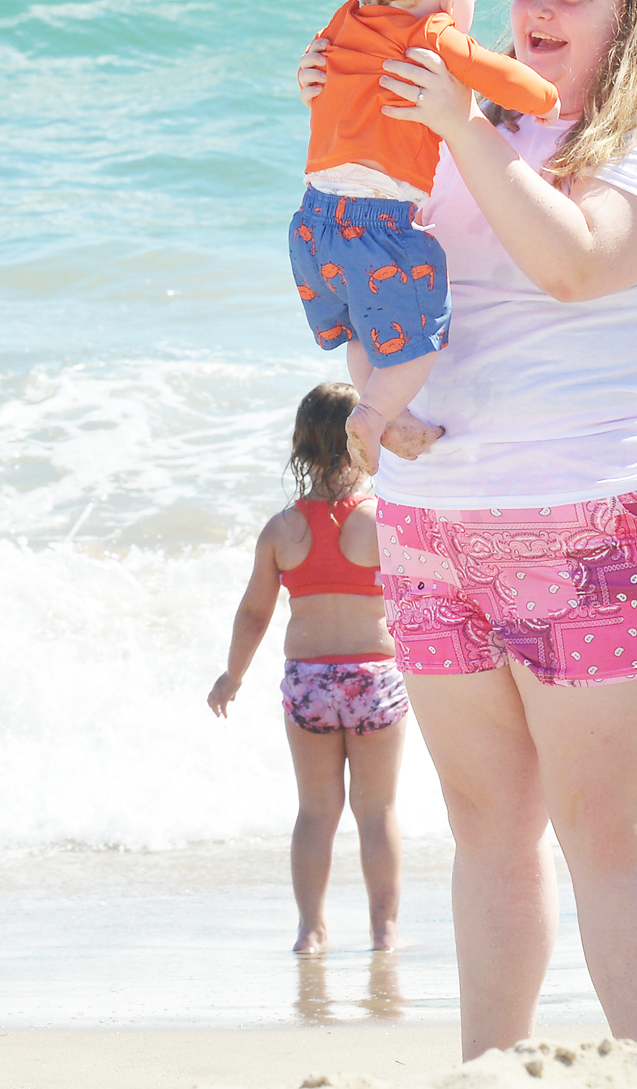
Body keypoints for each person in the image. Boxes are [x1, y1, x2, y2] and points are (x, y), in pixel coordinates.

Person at [299, 0, 637, 1064]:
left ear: (636, 12)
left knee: (607, 823)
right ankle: (488, 1072)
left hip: (604, 509)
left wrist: (456, 125)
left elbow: (576, 263)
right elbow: (378, 262)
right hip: (436, 514)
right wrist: (372, 395)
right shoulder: (476, 110)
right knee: (484, 824)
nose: (536, 8)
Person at [292, 0, 558, 476]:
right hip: (379, 225)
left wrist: (307, 75)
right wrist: (546, 97)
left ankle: (389, 409)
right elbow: (506, 78)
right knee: (423, 326)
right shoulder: (434, 34)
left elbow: (317, 65)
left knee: (369, 326)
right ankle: (370, 414)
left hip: (313, 222)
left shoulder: (343, 22)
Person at [207, 382, 408, 953]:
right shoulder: (384, 520)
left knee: (316, 811)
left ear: (301, 446)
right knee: (379, 811)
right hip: (375, 680)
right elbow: (422, 600)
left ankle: (311, 929)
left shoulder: (283, 529)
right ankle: (384, 930)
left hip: (310, 683)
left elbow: (254, 611)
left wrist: (233, 675)